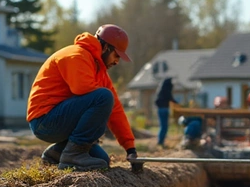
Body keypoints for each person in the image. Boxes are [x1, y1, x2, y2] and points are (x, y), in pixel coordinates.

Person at [26, 24, 143, 173]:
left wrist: (130, 149)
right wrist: (99, 120)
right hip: (45, 121)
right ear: (106, 47)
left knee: (102, 160)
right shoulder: (76, 55)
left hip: (59, 119)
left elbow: (116, 110)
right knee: (104, 96)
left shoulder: (99, 71)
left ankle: (56, 153)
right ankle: (73, 154)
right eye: (117, 55)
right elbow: (82, 88)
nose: (117, 62)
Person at [154, 77, 179, 148]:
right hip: (164, 110)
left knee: (162, 126)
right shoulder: (166, 91)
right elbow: (171, 99)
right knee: (164, 127)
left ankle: (160, 141)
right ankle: (160, 142)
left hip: (160, 110)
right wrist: (179, 104)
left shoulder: (160, 91)